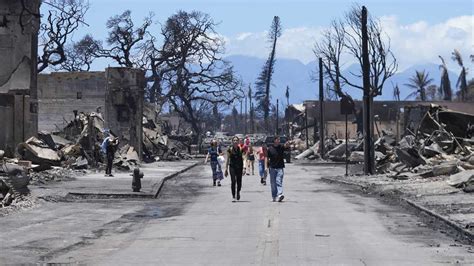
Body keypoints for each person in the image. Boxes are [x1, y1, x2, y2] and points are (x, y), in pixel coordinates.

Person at [266, 136, 290, 202]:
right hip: (272, 168)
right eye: (277, 139)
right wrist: (266, 167)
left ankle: (280, 194)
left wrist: (288, 142)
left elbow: (286, 146)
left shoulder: (281, 147)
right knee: (273, 183)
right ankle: (274, 196)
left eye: (279, 139)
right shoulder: (270, 149)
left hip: (280, 167)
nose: (279, 141)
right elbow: (267, 158)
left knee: (279, 181)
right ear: (274, 141)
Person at [224, 136, 244, 202]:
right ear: (232, 142)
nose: (235, 142)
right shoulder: (229, 149)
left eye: (236, 140)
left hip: (239, 167)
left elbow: (244, 158)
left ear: (238, 142)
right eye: (234, 140)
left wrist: (244, 168)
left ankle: (238, 192)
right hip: (232, 167)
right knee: (233, 181)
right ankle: (233, 195)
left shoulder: (241, 149)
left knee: (239, 182)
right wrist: (226, 169)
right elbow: (227, 159)